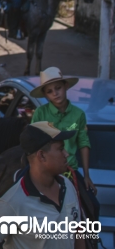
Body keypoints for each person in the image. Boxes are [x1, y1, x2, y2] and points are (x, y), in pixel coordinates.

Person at [0, 122, 84, 249]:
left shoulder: (68, 185)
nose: (66, 154)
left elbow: (77, 231)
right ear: (41, 155)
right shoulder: (12, 202)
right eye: (60, 149)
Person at [31, 67, 98, 197]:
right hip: (46, 171)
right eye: (50, 91)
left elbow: (83, 143)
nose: (55, 93)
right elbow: (33, 142)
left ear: (66, 86)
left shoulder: (79, 114)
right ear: (45, 95)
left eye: (58, 88)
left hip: (70, 170)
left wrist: (86, 175)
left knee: (92, 204)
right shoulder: (40, 113)